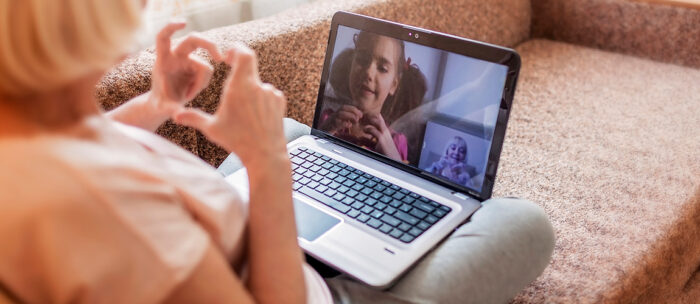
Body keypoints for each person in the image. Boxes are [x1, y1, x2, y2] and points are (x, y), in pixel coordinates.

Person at [0, 1, 555, 303]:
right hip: (300, 286)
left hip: (237, 229)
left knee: (294, 129)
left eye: (384, 68)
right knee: (524, 223)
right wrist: (269, 165)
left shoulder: (24, 133)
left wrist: (157, 102)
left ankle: (348, 215)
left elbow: (80, 138)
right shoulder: (119, 219)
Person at [318, 31, 427, 163]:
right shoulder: (329, 119)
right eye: (362, 60)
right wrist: (325, 131)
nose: (368, 72)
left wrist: (394, 159)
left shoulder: (395, 142)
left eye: (382, 68)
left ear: (393, 85)